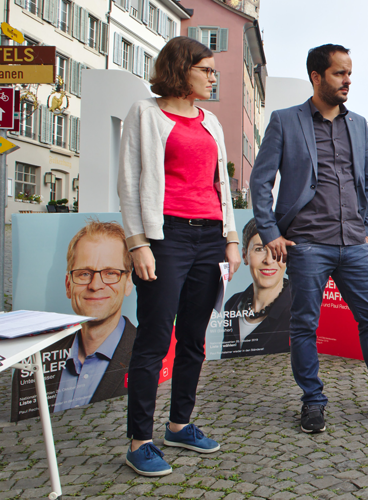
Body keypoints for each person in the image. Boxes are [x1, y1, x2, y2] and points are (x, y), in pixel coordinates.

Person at [249, 44, 368, 434]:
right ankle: (312, 401)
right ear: (316, 77)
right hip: (307, 243)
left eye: (349, 73)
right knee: (305, 325)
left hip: (353, 244)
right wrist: (270, 231)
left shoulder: (358, 124)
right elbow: (261, 181)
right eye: (340, 74)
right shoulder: (285, 121)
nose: (348, 81)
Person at [118, 36, 241, 476]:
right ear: (180, 68)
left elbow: (220, 187)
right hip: (165, 236)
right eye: (206, 69)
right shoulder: (145, 114)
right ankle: (139, 441)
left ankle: (179, 424)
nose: (213, 77)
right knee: (154, 338)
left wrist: (231, 237)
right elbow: (129, 182)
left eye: (213, 71)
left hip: (209, 237)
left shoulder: (211, 122)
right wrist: (137, 244)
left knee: (193, 336)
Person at [53, 221, 136, 413]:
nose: (95, 285)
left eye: (110, 273)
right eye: (84, 274)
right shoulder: (36, 361)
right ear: (68, 285)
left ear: (128, 283)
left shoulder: (151, 354)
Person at [221, 218, 291, 358]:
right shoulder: (232, 304)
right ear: (245, 255)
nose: (269, 260)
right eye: (259, 249)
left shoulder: (299, 306)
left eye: (277, 249)